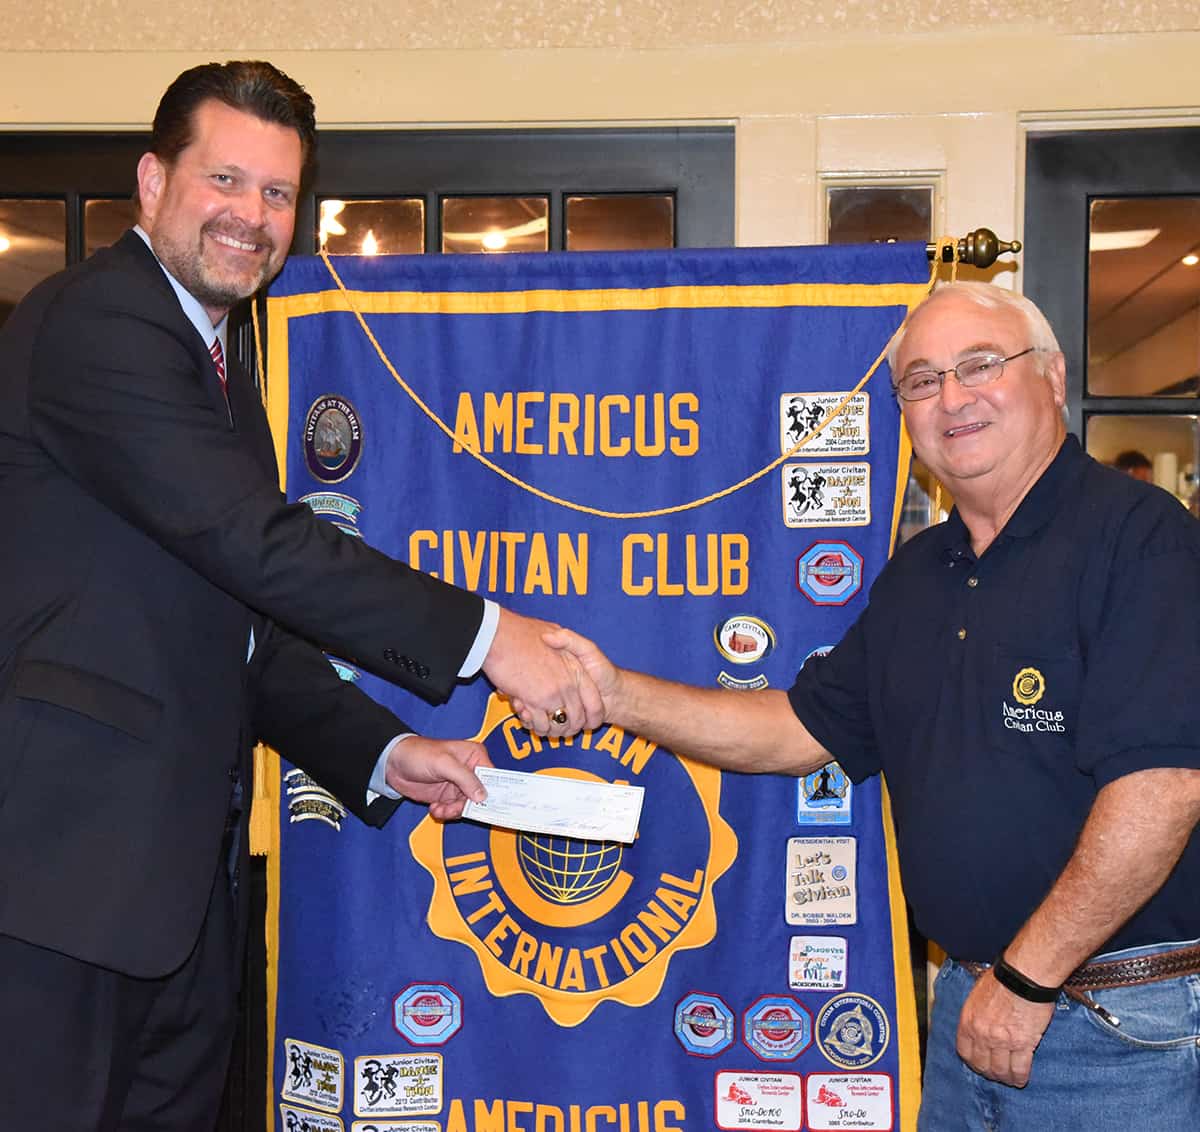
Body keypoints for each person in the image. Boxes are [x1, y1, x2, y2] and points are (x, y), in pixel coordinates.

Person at [0, 60, 600, 1129]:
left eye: (278, 193)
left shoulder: (226, 362)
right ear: (152, 181)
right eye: (225, 180)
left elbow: (237, 620)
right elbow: (258, 545)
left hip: (176, 903)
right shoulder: (98, 322)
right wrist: (490, 636)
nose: (252, 216)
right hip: (56, 891)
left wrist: (383, 750)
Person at [537, 282, 1200, 1130]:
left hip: (1115, 1027)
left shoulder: (1141, 538)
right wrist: (615, 695)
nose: (952, 398)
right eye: (922, 381)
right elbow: (794, 730)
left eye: (979, 366)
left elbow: (1163, 789)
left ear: (1053, 376)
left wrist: (1029, 978)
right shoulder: (919, 575)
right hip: (974, 1007)